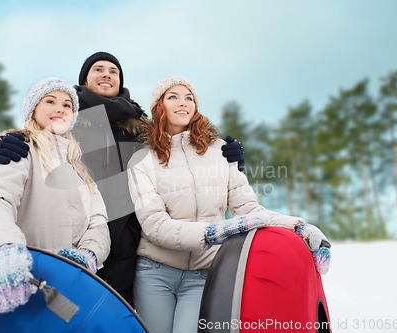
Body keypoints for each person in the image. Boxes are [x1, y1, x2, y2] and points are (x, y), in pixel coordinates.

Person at [0, 52, 245, 306]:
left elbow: (180, 157)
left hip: (129, 244)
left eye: (113, 71)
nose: (106, 74)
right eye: (98, 69)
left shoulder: (143, 129)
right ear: (84, 80)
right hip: (68, 241)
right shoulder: (68, 122)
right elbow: (6, 182)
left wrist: (224, 156)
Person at [126, 77, 331, 333]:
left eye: (189, 97)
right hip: (154, 272)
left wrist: (298, 227)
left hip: (203, 273)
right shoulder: (141, 160)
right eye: (173, 97)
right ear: (159, 106)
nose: (183, 103)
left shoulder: (220, 151)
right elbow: (154, 224)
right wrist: (210, 233)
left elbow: (248, 209)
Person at [0, 77, 111, 314]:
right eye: (50, 101)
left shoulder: (81, 170)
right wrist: (4, 248)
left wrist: (88, 254)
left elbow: (98, 222)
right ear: (33, 110)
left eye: (67, 105)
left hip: (66, 290)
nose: (60, 109)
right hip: (19, 278)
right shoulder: (19, 150)